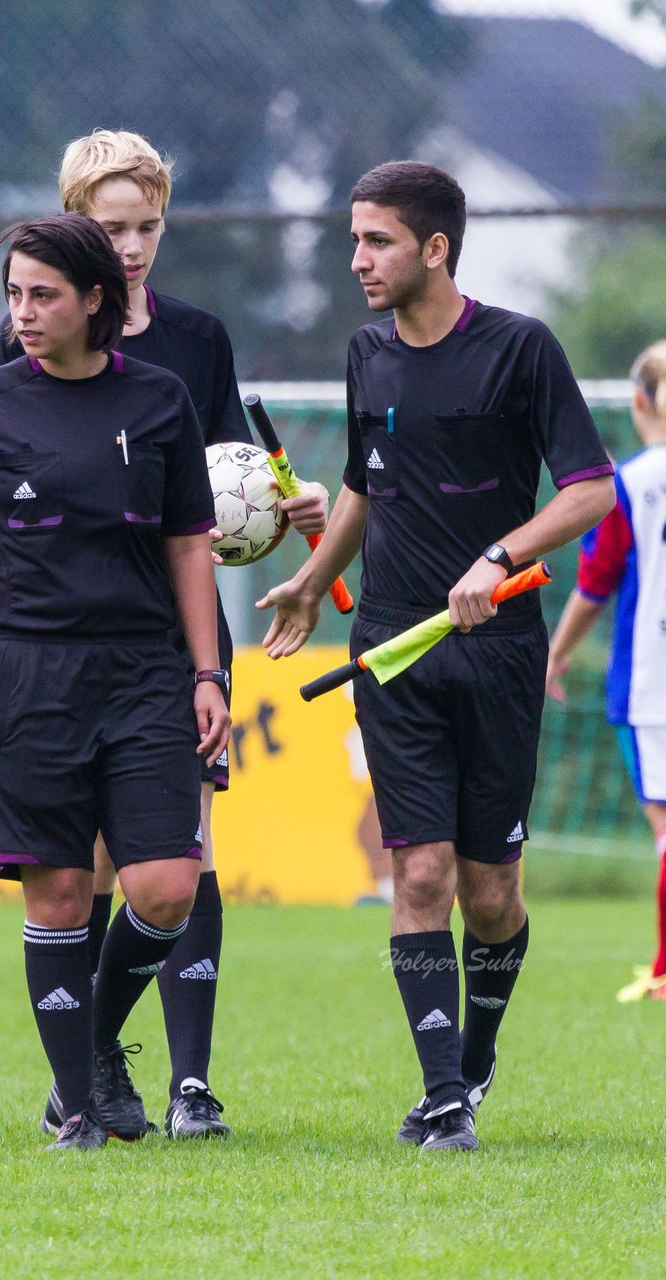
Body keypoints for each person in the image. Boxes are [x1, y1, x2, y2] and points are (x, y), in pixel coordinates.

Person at [257, 161, 615, 1151]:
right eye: (353, 239)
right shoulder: (365, 353)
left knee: (488, 889)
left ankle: (475, 1055)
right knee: (417, 873)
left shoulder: (520, 349)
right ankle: (442, 1096)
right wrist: (309, 576)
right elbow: (366, 483)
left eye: (374, 241)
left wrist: (499, 555)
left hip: (497, 646)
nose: (356, 259)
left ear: (435, 248)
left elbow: (588, 489)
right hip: (391, 648)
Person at [0, 129, 328, 1139]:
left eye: (146, 226)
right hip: (70, 638)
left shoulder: (198, 337)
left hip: (177, 634)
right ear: (70, 224)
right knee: (94, 862)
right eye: (108, 225)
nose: (130, 247)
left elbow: (222, 479)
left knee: (187, 848)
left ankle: (189, 1082)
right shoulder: (27, 335)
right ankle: (93, 1058)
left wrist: (287, 499)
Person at [0, 213, 231, 1152]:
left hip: (144, 671)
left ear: (97, 300)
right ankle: (79, 1111)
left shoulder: (163, 398)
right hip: (28, 673)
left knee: (167, 885)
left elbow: (190, 548)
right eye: (13, 294)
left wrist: (206, 670)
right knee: (54, 896)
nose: (23, 313)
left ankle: (89, 1041)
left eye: (42, 294)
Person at [546, 340, 666, 1003]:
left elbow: (596, 579)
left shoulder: (635, 481)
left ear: (639, 400)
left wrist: (557, 652)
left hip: (655, 679)